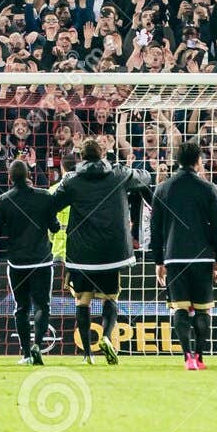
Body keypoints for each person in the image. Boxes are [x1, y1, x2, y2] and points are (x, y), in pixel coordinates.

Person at [48, 137, 152, 365]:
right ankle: (105, 337)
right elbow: (145, 177)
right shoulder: (119, 173)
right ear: (102, 154)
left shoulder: (71, 180)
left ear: (81, 157)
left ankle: (87, 355)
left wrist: (53, 225)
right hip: (111, 253)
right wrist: (138, 172)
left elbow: (51, 205)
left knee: (82, 301)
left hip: (81, 253)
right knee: (111, 297)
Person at [149, 142, 217, 371]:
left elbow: (156, 229)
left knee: (179, 308)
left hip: (174, 257)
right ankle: (200, 357)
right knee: (203, 309)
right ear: (198, 161)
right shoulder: (209, 188)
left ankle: (187, 357)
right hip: (203, 257)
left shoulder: (163, 188)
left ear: (177, 160)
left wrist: (158, 261)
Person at [0, 159, 60, 365]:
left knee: (21, 307)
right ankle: (38, 345)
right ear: (29, 175)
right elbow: (55, 228)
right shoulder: (45, 197)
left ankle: (26, 353)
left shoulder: (3, 200)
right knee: (43, 305)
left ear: (9, 177)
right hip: (42, 261)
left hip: (17, 263)